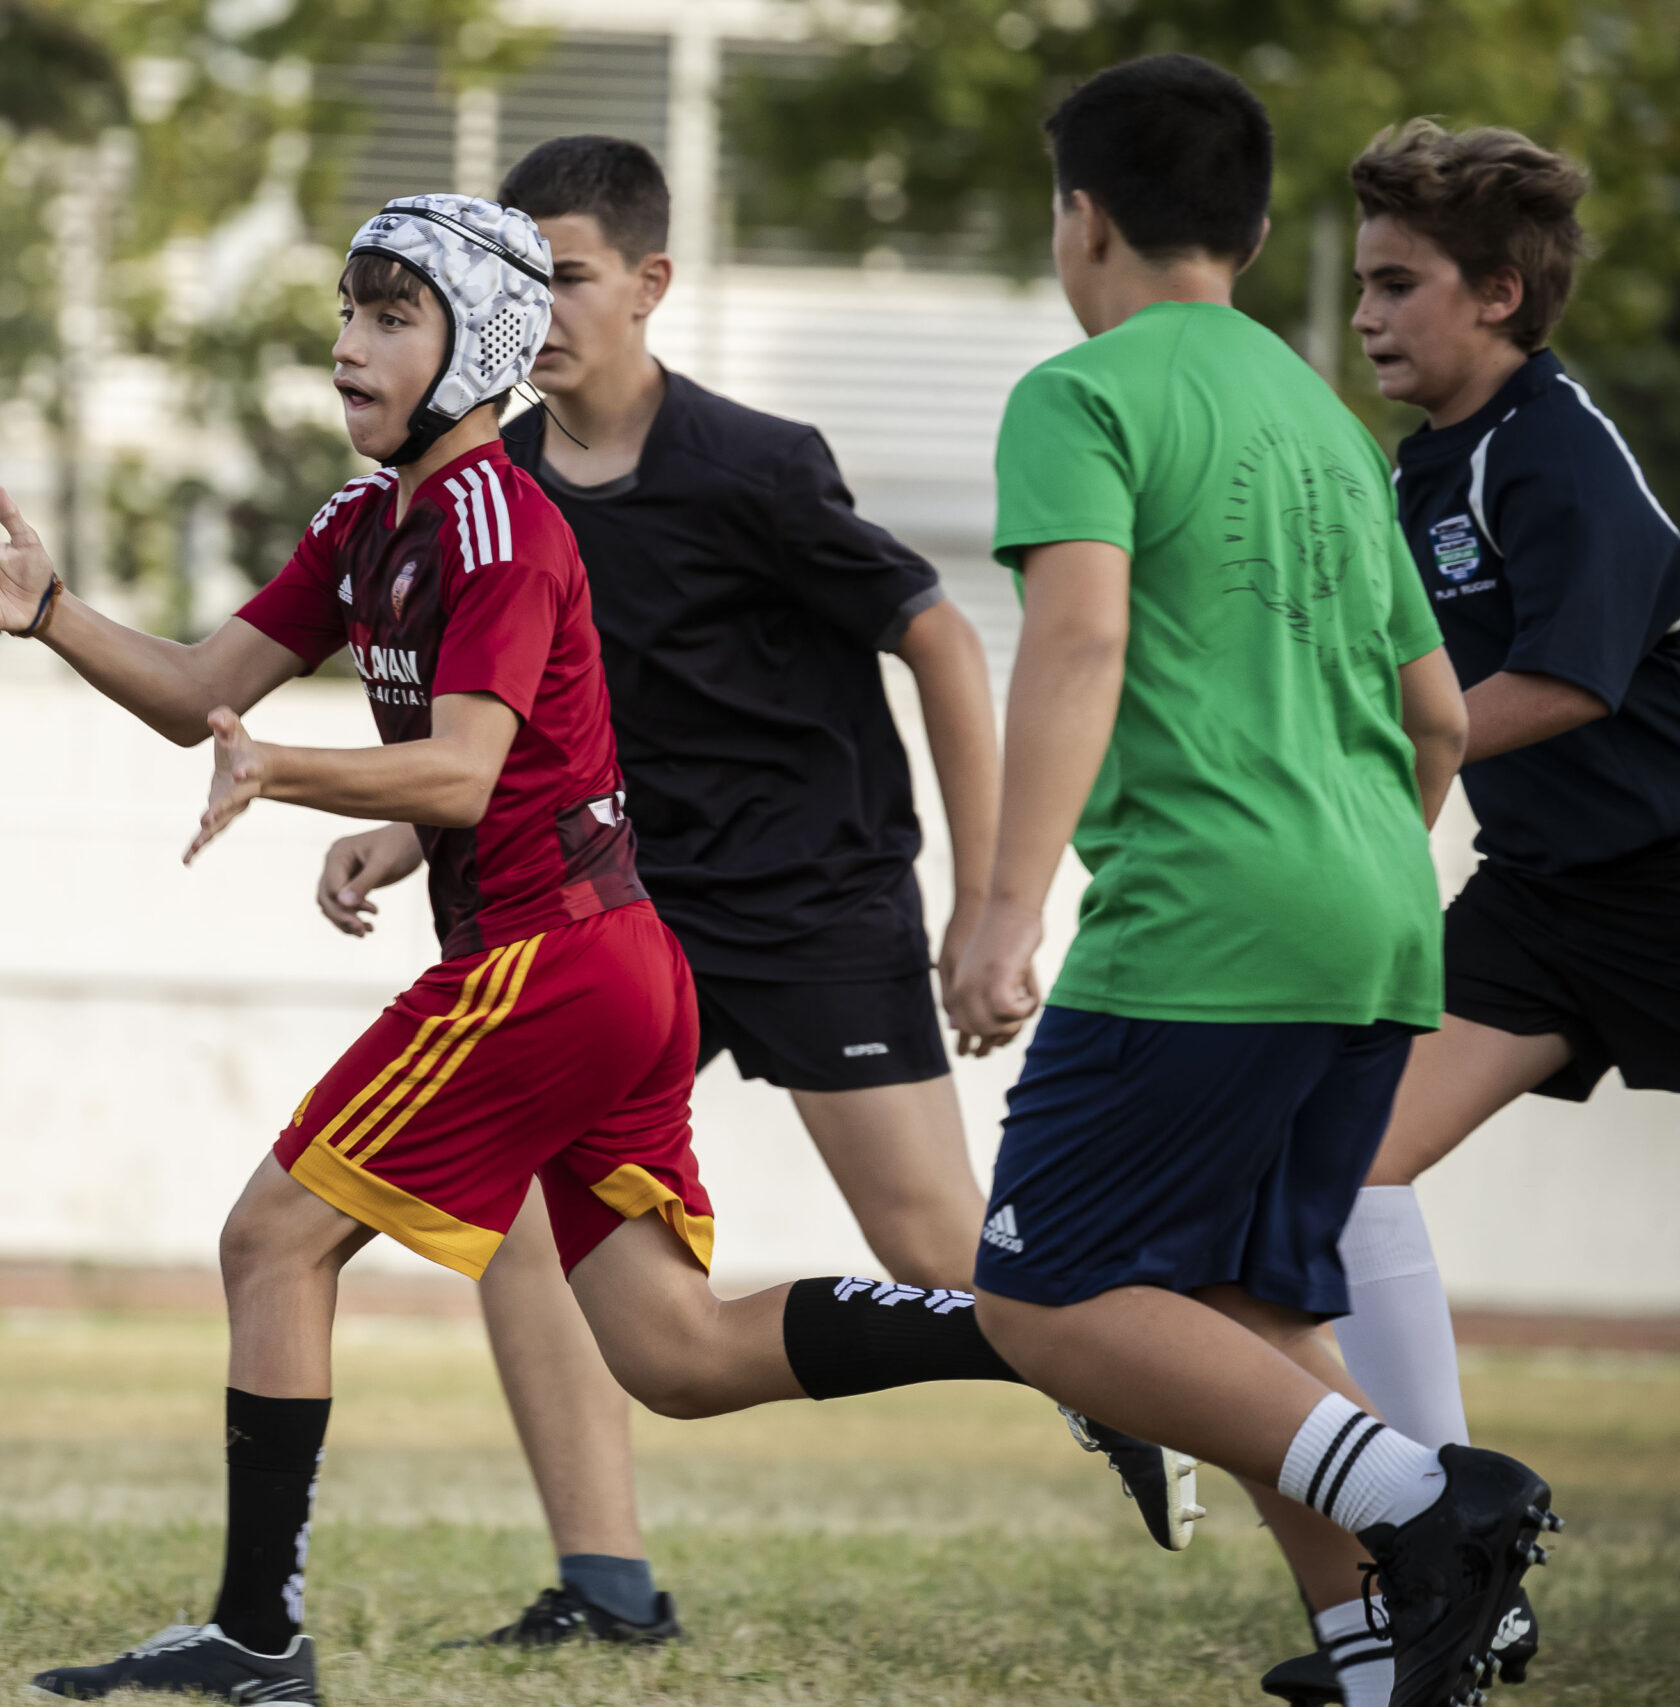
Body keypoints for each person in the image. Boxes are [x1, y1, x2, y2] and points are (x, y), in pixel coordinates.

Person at [0, 193, 1044, 1707]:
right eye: (348, 317)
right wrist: (51, 613)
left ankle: (254, 1642)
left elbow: (461, 775)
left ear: (475, 342)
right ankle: (1041, 1340)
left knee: (270, 1242)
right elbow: (192, 690)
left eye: (389, 316)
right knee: (678, 1357)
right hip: (613, 965)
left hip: (544, 967)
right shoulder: (366, 525)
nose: (350, 348)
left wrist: (284, 770)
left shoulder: (495, 519)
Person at [308, 136, 1186, 1650]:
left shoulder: (756, 465)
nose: (540, 306)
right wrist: (410, 829)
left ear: (650, 286)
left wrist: (992, 905)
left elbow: (944, 640)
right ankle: (606, 1585)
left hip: (816, 903)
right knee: (512, 1205)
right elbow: (508, 725)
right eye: (513, 278)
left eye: (567, 275)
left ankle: (1163, 1389)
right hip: (619, 914)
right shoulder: (484, 485)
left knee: (936, 1243)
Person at [941, 58, 1558, 1707]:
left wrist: (1002, 908)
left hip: (1206, 927)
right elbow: (1436, 713)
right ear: (1260, 225)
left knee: (1039, 1295)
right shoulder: (1331, 423)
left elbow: (1078, 636)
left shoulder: (1082, 396)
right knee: (1237, 1301)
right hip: (1371, 919)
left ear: (1081, 219)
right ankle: (1382, 1664)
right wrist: (1356, 857)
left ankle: (1436, 1502)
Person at [1256, 119, 1680, 1707]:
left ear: (1501, 293)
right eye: (1362, 284)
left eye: (1398, 285)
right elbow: (1421, 699)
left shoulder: (1553, 445)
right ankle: (1450, 1556)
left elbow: (1569, 678)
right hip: (1554, 903)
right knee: (1344, 1157)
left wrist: (1353, 757)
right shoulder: (1423, 459)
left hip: (1669, 876)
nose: (1366, 316)